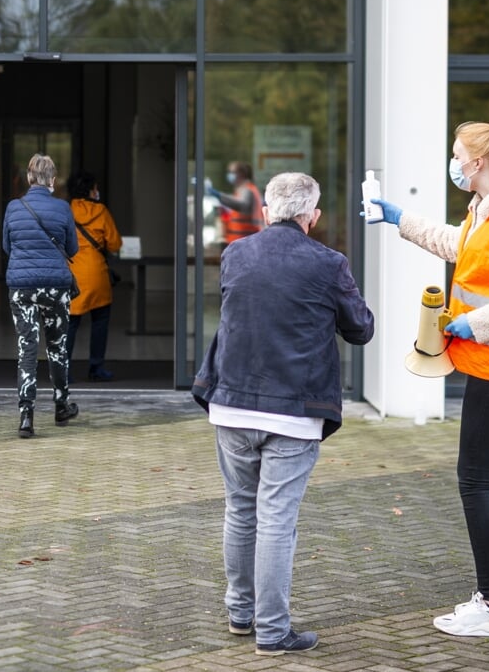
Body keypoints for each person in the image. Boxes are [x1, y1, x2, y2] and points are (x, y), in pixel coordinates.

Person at [368, 122, 489, 638]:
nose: (452, 162)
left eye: (457, 155)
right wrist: (398, 218)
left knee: (474, 481)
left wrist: (474, 323)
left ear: (477, 163)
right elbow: (459, 246)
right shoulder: (486, 210)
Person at [193, 172, 374, 657]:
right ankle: (273, 632)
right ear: (310, 216)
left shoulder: (235, 253)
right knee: (276, 520)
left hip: (231, 403)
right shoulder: (329, 264)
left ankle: (240, 614)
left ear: (268, 209)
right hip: (294, 410)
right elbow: (360, 329)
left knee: (240, 510)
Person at [1, 153, 79, 438]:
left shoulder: (13, 207)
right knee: (57, 348)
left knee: (27, 350)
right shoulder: (62, 208)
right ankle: (61, 406)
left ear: (29, 178)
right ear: (53, 181)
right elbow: (72, 249)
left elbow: (7, 246)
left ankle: (26, 416)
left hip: (22, 288)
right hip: (56, 287)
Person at [66, 171, 123, 382]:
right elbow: (115, 243)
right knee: (100, 321)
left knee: (70, 324)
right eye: (95, 188)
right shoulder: (101, 211)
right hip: (97, 274)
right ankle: (96, 368)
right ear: (91, 190)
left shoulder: (65, 210)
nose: (97, 191)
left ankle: (63, 370)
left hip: (73, 274)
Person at [207, 161, 264, 244]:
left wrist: (218, 195)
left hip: (245, 240)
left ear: (241, 174)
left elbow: (241, 205)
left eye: (232, 172)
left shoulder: (247, 190)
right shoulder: (242, 189)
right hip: (241, 240)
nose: (230, 175)